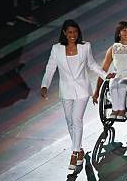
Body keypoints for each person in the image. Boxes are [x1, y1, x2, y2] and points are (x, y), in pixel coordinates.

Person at [41, 19, 113, 170]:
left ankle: (74, 154)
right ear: (64, 33)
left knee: (76, 119)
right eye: (69, 32)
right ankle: (79, 150)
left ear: (78, 32)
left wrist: (106, 75)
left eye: (75, 32)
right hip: (66, 91)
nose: (72, 35)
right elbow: (50, 68)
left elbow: (92, 64)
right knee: (69, 121)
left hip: (82, 90)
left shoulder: (85, 46)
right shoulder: (56, 49)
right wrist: (44, 85)